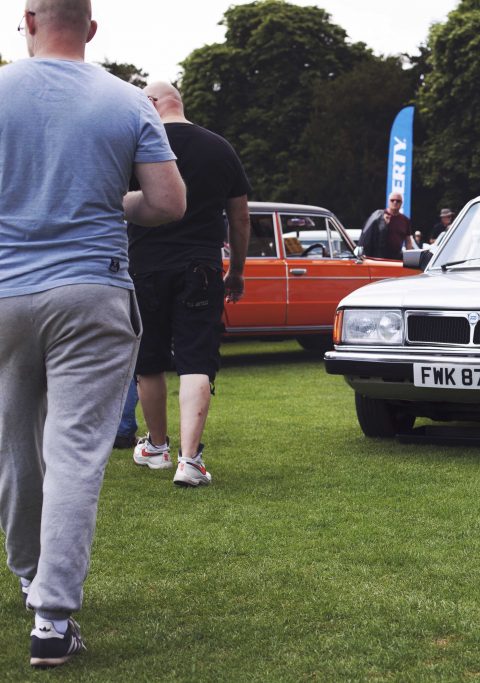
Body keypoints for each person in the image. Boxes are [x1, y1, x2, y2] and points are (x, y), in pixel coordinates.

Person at [0, 1, 185, 667]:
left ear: (27, 21)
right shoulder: (127, 100)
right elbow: (167, 203)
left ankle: (28, 575)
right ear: (91, 28)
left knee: (15, 441)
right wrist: (114, 201)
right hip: (92, 288)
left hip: (4, 292)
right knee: (75, 449)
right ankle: (52, 617)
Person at [129, 81, 250, 489]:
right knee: (196, 358)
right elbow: (240, 219)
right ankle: (190, 460)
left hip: (144, 266)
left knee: (149, 360)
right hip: (201, 265)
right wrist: (236, 270)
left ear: (151, 103)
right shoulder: (220, 147)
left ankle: (157, 447)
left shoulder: (139, 142)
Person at [359, 192, 414, 259]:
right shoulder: (378, 216)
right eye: (392, 200)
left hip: (396, 259)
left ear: (402, 203)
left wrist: (410, 258)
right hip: (378, 258)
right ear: (388, 201)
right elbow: (367, 237)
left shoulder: (405, 220)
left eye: (398, 201)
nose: (395, 202)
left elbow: (408, 240)